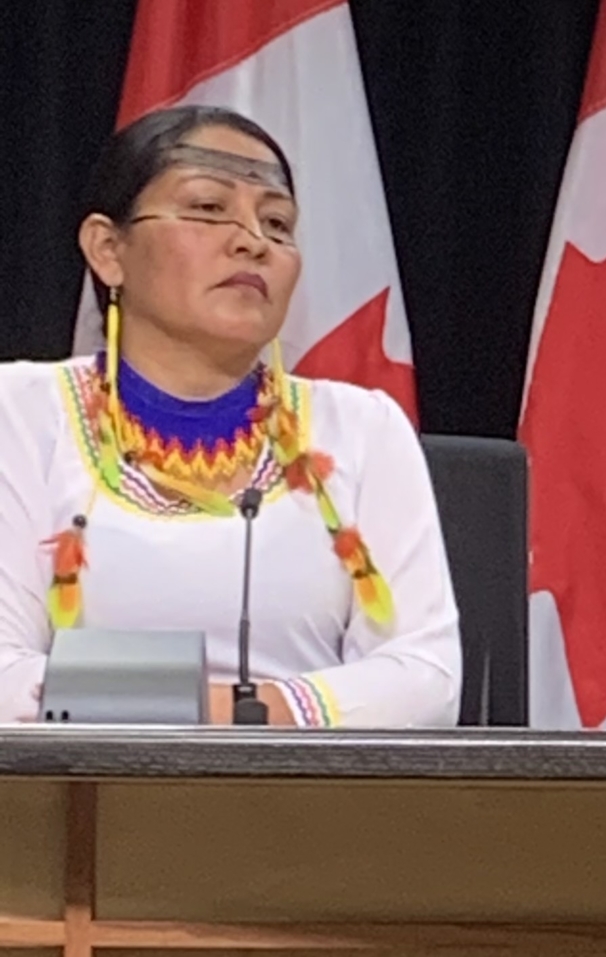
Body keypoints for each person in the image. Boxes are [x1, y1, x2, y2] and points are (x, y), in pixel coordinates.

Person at [0, 105, 460, 726]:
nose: (253, 241)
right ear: (108, 250)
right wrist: (210, 711)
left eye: (277, 222)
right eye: (208, 208)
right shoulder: (22, 415)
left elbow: (426, 677)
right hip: (81, 804)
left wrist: (249, 719)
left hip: (311, 801)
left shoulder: (363, 429)